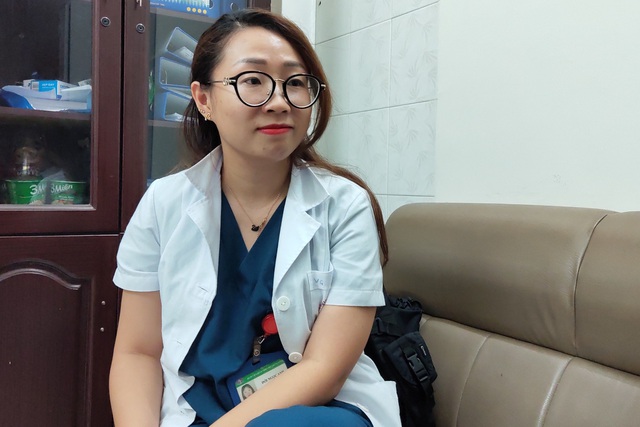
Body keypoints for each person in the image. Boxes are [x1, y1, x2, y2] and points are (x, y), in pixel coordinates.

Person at [109, 8, 400, 427]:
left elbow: (325, 368)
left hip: (313, 408)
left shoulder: (345, 206)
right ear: (204, 99)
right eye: (253, 81)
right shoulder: (163, 204)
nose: (279, 102)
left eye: (295, 83)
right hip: (195, 408)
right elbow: (138, 352)